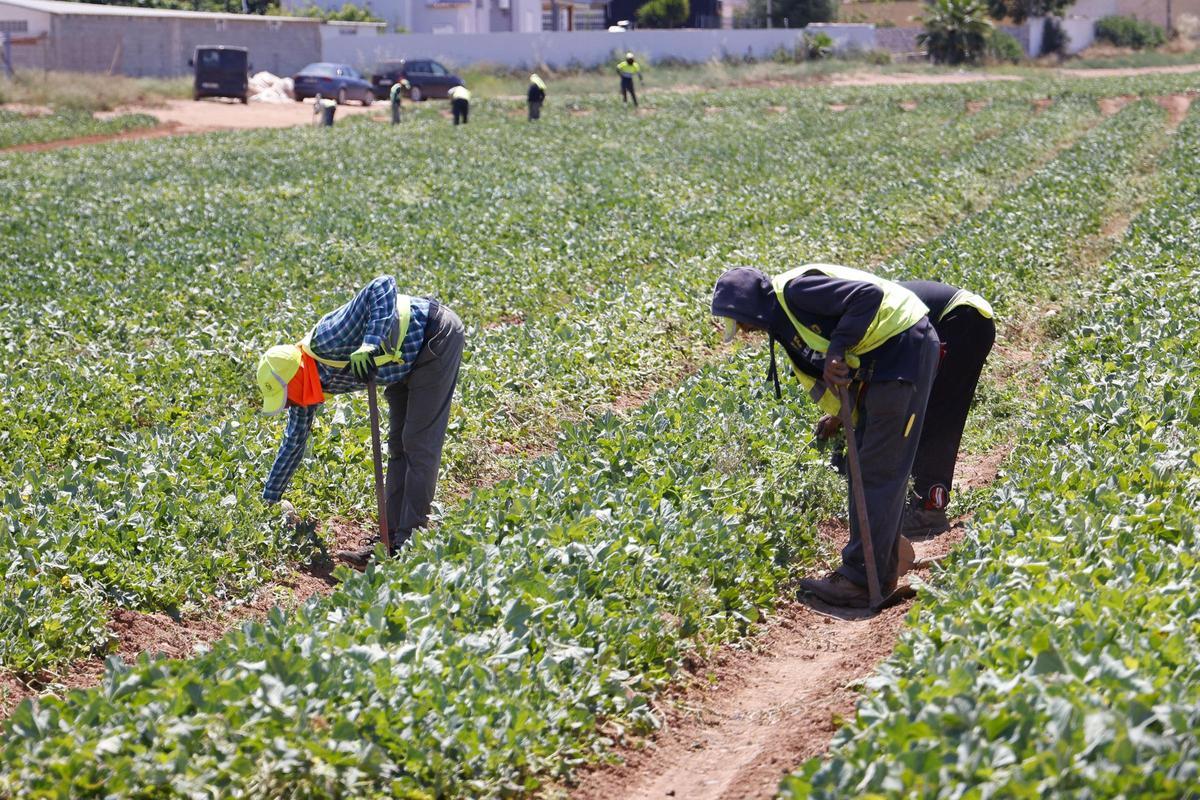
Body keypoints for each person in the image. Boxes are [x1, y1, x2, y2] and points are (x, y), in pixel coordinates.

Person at [711, 265, 940, 609]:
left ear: (749, 304)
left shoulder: (795, 292)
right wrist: (837, 413)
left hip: (904, 352)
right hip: (886, 364)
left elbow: (868, 296)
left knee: (878, 471)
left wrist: (837, 348)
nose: (742, 330)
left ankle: (862, 580)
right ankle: (876, 567)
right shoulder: (782, 322)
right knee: (863, 465)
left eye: (739, 320)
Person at [256, 276, 465, 568]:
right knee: (397, 446)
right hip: (401, 364)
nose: (288, 404)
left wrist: (370, 343)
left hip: (434, 337)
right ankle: (388, 541)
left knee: (418, 444)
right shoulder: (306, 392)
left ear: (294, 377)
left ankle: (409, 545)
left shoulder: (328, 338)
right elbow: (293, 442)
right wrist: (270, 499)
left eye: (285, 397)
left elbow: (383, 286)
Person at [818, 280, 996, 539]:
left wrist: (840, 415)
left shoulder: (860, 316)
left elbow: (873, 377)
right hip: (964, 319)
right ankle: (919, 502)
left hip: (961, 320)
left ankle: (929, 510)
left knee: (939, 415)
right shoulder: (857, 308)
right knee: (919, 410)